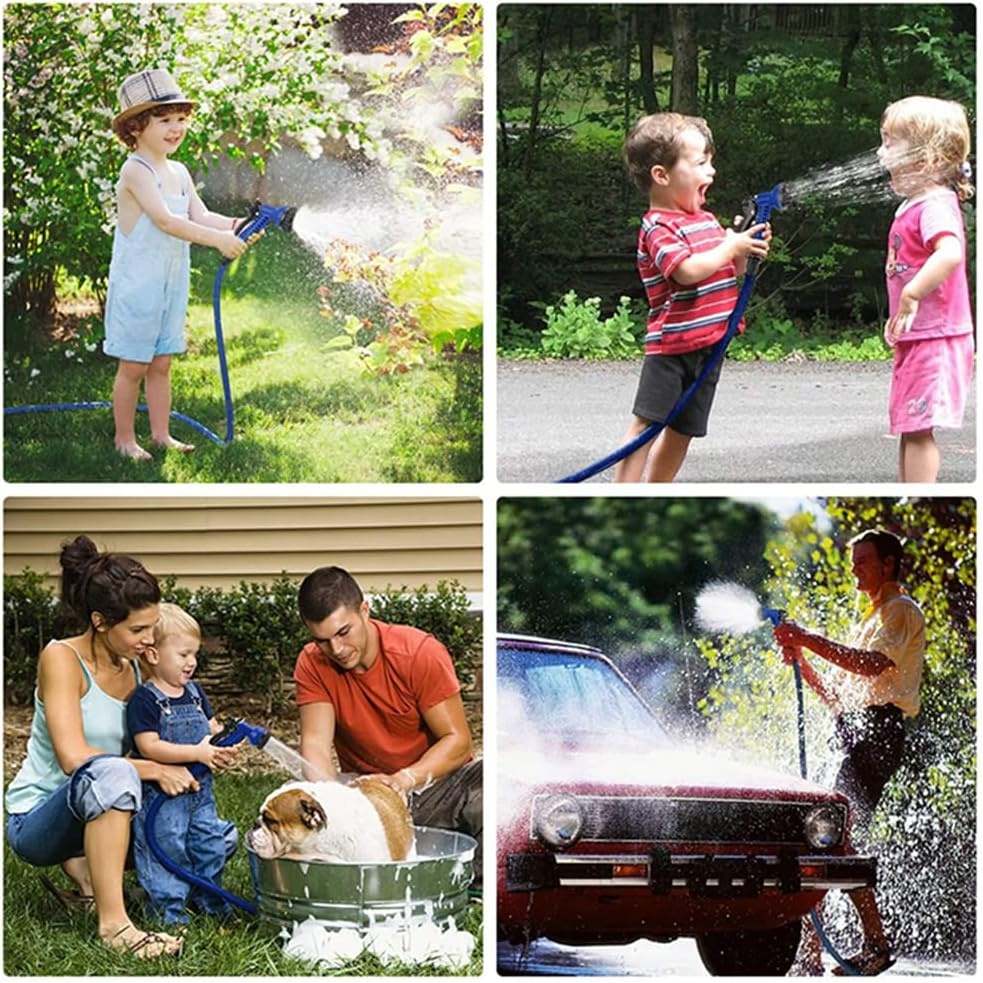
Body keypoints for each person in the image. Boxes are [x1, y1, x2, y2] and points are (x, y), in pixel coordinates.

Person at [4, 536, 197, 959]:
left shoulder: (132, 666)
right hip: (37, 820)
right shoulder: (61, 658)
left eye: (153, 626)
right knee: (116, 773)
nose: (150, 638)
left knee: (193, 827)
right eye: (138, 630)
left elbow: (154, 741)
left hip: (94, 806)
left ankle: (90, 872)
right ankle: (116, 927)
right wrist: (149, 769)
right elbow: (75, 757)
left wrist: (157, 682)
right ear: (100, 621)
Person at [773, 529, 926, 976]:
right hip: (857, 730)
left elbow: (870, 666)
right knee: (819, 836)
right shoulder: (872, 617)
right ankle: (816, 950)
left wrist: (808, 637)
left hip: (877, 735)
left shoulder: (899, 611)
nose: (854, 568)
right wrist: (802, 660)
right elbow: (841, 695)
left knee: (828, 839)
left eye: (862, 561)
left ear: (889, 565)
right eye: (853, 560)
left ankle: (859, 947)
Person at [293, 566, 482, 877]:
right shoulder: (312, 662)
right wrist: (333, 806)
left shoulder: (419, 653)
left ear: (365, 610)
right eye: (322, 640)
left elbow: (458, 743)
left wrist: (404, 779)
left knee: (491, 780)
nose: (336, 650)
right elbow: (315, 744)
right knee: (290, 804)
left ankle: (470, 881)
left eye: (343, 632)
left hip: (434, 789)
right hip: (369, 801)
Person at [614, 112, 771, 483]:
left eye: (710, 161)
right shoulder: (657, 226)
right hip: (672, 350)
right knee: (647, 426)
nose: (711, 171)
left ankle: (656, 490)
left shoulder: (707, 221)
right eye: (701, 162)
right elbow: (686, 271)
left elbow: (726, 274)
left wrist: (742, 249)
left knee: (684, 430)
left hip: (710, 346)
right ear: (661, 176)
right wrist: (729, 246)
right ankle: (625, 493)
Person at [105, 68, 249, 461]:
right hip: (139, 285)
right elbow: (167, 221)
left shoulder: (179, 172)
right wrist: (220, 241)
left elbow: (200, 217)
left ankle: (160, 434)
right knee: (134, 363)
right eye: (164, 119)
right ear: (135, 127)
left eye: (181, 119)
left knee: (162, 362)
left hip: (170, 283)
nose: (176, 127)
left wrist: (239, 224)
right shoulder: (136, 170)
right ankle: (123, 439)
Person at [877, 95, 974, 482]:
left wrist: (912, 295)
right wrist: (902, 315)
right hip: (923, 334)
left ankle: (921, 497)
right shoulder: (915, 203)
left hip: (939, 337)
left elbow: (949, 253)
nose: (881, 154)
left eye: (889, 142)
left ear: (928, 159)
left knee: (919, 429)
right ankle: (911, 490)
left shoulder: (934, 205)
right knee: (909, 425)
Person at [128, 603, 239, 926]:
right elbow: (149, 746)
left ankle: (213, 905)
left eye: (194, 654)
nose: (192, 662)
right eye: (183, 654)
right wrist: (197, 753)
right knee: (166, 851)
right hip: (162, 800)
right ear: (152, 655)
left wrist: (222, 745)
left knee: (210, 845)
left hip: (201, 796)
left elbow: (211, 728)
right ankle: (169, 914)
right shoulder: (145, 700)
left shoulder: (194, 693)